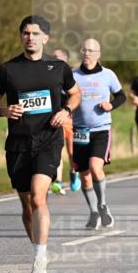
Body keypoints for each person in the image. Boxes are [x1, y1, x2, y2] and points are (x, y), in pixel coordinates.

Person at [0, 15, 81, 273]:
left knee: (39, 197)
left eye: (35, 33)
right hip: (18, 143)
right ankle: (39, 249)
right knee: (27, 206)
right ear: (20, 37)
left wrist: (66, 111)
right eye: (25, 33)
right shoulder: (7, 69)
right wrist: (4, 109)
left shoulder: (58, 67)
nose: (30, 37)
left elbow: (76, 93)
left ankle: (39, 259)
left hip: (48, 139)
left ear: (45, 38)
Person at [71, 38, 126, 229]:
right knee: (84, 176)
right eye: (84, 50)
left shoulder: (108, 75)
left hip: (101, 129)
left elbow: (121, 96)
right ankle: (93, 212)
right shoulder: (73, 75)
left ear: (98, 54)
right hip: (79, 131)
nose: (87, 53)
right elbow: (63, 97)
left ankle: (103, 204)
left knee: (96, 167)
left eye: (91, 50)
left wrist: (111, 105)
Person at [50, 48, 77, 194]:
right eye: (54, 57)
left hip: (71, 119)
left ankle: (73, 173)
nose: (56, 59)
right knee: (57, 150)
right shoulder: (48, 74)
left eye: (59, 57)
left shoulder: (73, 75)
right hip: (55, 119)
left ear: (66, 59)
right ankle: (58, 182)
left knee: (72, 152)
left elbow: (78, 97)